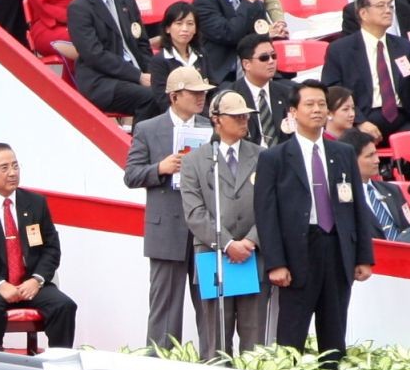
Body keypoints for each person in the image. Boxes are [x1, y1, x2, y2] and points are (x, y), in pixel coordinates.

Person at [255, 80, 376, 362]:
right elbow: (266, 214)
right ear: (293, 112)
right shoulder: (275, 158)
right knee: (291, 334)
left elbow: (358, 206)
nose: (317, 110)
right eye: (309, 104)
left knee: (334, 334)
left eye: (322, 104)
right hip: (298, 251)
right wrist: (276, 263)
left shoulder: (343, 153)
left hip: (336, 248)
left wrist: (364, 257)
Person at [0, 142, 78, 348]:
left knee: (64, 306)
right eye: (4, 168)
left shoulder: (36, 203)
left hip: (30, 284)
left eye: (15, 166)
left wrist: (36, 280)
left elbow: (52, 249)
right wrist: (0, 284)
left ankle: (59, 367)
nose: (12, 173)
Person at [126, 66, 215, 351]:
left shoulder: (210, 127)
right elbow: (131, 175)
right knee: (165, 304)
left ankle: (214, 361)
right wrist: (160, 168)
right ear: (175, 96)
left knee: (210, 302)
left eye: (203, 92)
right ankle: (159, 363)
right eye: (195, 92)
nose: (201, 97)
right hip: (166, 227)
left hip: (204, 225)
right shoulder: (148, 129)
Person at [178, 90, 266, 353]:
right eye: (236, 116)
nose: (243, 121)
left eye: (245, 116)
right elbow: (195, 213)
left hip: (254, 255)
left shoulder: (262, 156)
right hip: (213, 256)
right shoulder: (194, 160)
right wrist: (228, 244)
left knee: (255, 340)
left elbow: (270, 206)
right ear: (216, 119)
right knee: (215, 341)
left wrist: (250, 240)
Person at [323, 0, 410, 139]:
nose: (388, 10)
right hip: (363, 117)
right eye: (381, 6)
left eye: (390, 6)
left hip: (402, 117)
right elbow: (333, 90)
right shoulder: (340, 49)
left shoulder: (403, 46)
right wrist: (359, 121)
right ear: (363, 13)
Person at [69, 0, 161, 118]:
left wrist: (151, 73)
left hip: (136, 74)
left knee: (178, 91)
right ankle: (141, 144)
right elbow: (95, 55)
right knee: (151, 97)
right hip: (103, 81)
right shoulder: (79, 8)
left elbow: (142, 44)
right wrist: (137, 76)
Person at [219, 32, 294, 148]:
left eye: (273, 56)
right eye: (264, 58)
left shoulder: (288, 93)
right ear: (246, 64)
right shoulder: (230, 96)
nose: (271, 61)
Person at [352, 132, 410, 239]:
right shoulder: (346, 197)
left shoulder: (392, 189)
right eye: (369, 156)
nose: (377, 160)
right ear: (351, 159)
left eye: (376, 153)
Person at [147, 1, 211, 83]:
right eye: (179, 23)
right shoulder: (159, 61)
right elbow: (160, 94)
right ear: (167, 28)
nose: (185, 29)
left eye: (190, 24)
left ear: (195, 29)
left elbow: (213, 85)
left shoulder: (201, 53)